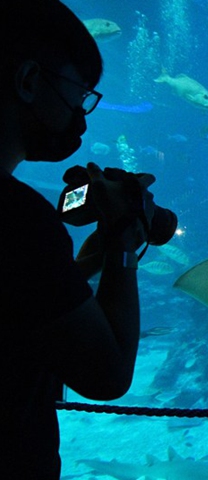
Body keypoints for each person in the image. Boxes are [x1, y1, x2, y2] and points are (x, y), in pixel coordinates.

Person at [0, 1, 152, 478]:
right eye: (78, 94)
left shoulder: (20, 225)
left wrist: (99, 248)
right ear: (27, 81)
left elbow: (26, 300)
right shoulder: (16, 219)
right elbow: (105, 376)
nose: (82, 121)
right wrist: (125, 243)